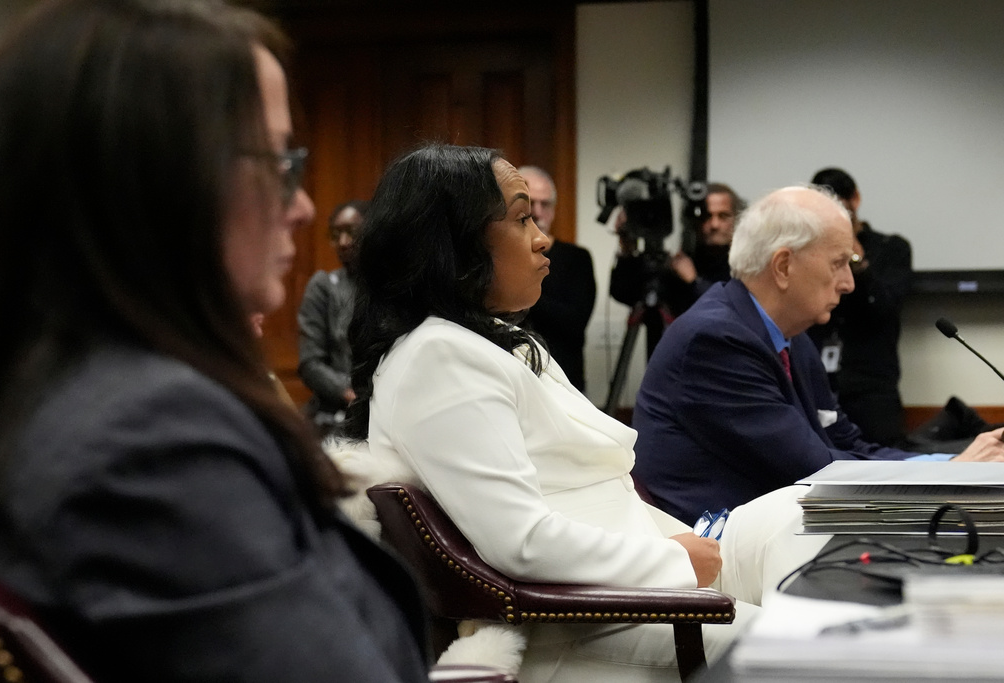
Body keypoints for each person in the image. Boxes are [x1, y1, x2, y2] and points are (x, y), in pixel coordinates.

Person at [0, 1, 429, 681]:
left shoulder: (60, 386)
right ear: (158, 181)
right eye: (278, 162)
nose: (303, 205)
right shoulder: (153, 439)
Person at [343, 144, 831, 683]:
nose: (543, 236)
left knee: (810, 512)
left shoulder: (490, 338)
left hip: (635, 570)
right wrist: (675, 562)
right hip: (590, 615)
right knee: (814, 647)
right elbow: (522, 544)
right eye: (522, 217)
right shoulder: (438, 356)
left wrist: (696, 548)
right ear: (455, 242)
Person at [631, 186, 1004, 526]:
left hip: (783, 530)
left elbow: (848, 444)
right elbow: (815, 470)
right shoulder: (715, 341)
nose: (849, 283)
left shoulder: (791, 336)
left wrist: (952, 464)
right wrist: (953, 472)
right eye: (839, 262)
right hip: (714, 561)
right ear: (783, 266)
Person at [808, 168, 913, 446]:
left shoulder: (891, 248)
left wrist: (851, 252)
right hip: (819, 381)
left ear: (855, 199)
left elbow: (884, 307)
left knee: (888, 467)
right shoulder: (812, 250)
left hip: (873, 387)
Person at [608, 183, 741, 359]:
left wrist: (694, 282)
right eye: (706, 216)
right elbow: (624, 293)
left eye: (723, 216)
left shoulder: (746, 265)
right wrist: (627, 251)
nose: (714, 224)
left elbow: (734, 313)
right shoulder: (678, 265)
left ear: (737, 219)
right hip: (675, 370)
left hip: (723, 365)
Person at [516, 166, 596, 392]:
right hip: (516, 379)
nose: (538, 212)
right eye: (531, 203)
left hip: (564, 381)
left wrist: (523, 295)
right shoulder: (502, 260)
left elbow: (574, 323)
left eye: (545, 204)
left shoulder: (576, 258)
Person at [298, 200, 366, 429]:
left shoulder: (388, 287)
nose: (343, 242)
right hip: (334, 412)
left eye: (351, 232)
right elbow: (311, 363)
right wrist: (352, 394)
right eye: (336, 234)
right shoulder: (324, 286)